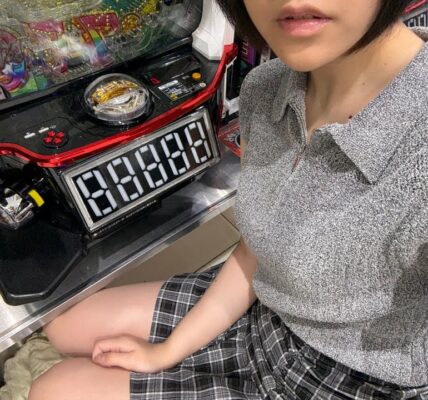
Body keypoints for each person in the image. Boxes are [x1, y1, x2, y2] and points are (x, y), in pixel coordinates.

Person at [29, 1, 428, 399]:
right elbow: (255, 248)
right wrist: (167, 352)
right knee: (62, 326)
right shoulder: (267, 85)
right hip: (268, 309)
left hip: (344, 381)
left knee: (53, 391)